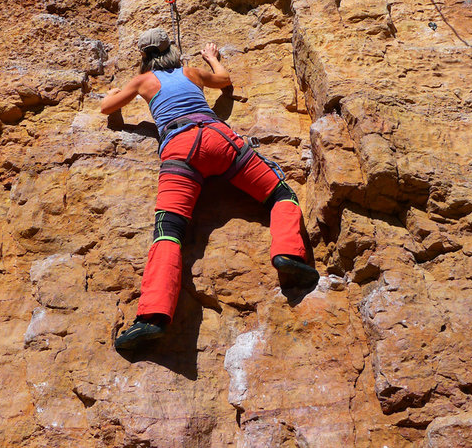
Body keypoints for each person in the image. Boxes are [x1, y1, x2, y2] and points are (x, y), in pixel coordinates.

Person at [101, 28, 319, 350]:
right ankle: (289, 255)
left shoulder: (143, 81)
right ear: (172, 50)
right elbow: (225, 81)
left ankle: (152, 317)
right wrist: (213, 59)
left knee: (169, 230)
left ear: (145, 58)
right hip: (219, 138)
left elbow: (108, 108)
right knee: (279, 193)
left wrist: (114, 90)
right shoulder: (191, 72)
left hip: (180, 149)